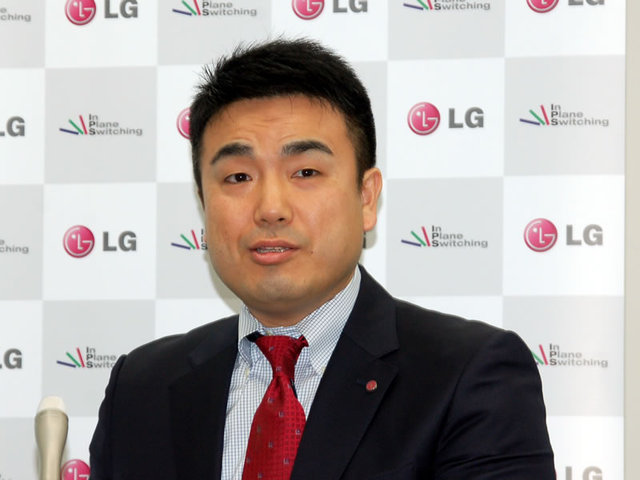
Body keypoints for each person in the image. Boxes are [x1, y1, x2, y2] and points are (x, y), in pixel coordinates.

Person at [89, 38, 554, 479]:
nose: (271, 208)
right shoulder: (141, 388)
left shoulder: (468, 375)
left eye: (306, 172)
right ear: (203, 202)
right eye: (238, 177)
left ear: (366, 197)